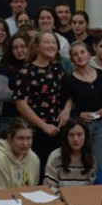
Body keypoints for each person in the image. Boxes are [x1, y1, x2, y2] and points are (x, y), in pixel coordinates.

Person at [14, 31, 72, 177]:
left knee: (57, 171)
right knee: (37, 172)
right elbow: (21, 104)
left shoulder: (58, 69)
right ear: (37, 47)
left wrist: (67, 110)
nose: (51, 45)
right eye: (47, 42)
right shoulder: (26, 71)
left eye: (54, 43)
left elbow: (70, 93)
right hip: (36, 132)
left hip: (58, 130)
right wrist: (44, 126)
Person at [63, 41, 102, 169]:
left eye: (82, 52)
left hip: (100, 124)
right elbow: (64, 107)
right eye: (75, 54)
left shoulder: (99, 73)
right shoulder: (69, 80)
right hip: (81, 127)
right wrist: (79, 114)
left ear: (89, 54)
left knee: (99, 162)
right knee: (82, 161)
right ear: (72, 59)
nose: (80, 56)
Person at [0, 118, 40, 190]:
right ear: (10, 138)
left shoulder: (34, 158)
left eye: (28, 138)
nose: (25, 143)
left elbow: (33, 189)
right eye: (20, 138)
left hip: (22, 199)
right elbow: (1, 195)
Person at [43, 118, 97, 190]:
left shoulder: (91, 159)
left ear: (86, 137)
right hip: (59, 199)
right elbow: (49, 188)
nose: (75, 139)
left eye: (79, 134)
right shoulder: (55, 157)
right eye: (71, 135)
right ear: (66, 137)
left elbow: (90, 189)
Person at [0, 31, 31, 132]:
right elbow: (2, 93)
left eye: (23, 46)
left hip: (31, 119)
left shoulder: (34, 67)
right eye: (15, 48)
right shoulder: (4, 68)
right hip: (9, 120)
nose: (19, 50)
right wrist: (26, 95)